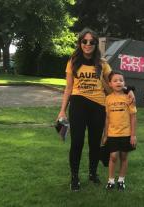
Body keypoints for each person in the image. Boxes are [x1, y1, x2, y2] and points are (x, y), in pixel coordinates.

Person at [57, 28, 134, 191]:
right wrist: (62, 110)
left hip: (98, 106)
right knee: (77, 142)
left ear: (96, 44)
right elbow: (68, 88)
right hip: (78, 104)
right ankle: (75, 177)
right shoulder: (73, 61)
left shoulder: (102, 63)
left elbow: (115, 81)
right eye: (84, 41)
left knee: (94, 143)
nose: (88, 44)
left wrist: (130, 89)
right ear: (80, 43)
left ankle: (93, 173)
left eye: (92, 42)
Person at [102, 71, 137, 191]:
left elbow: (133, 117)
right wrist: (105, 134)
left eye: (121, 80)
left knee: (123, 156)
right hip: (112, 133)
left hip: (126, 133)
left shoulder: (129, 97)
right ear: (110, 84)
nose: (118, 82)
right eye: (115, 80)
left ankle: (121, 180)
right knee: (113, 156)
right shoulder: (107, 99)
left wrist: (133, 135)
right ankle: (111, 180)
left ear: (124, 83)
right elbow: (107, 118)